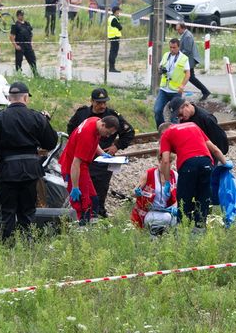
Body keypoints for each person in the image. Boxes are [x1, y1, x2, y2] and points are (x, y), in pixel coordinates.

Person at [0, 82, 58, 243]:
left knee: (7, 211)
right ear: (25, 98)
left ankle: (7, 246)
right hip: (31, 171)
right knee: (27, 210)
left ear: (9, 98)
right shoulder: (37, 117)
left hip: (7, 172)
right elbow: (51, 143)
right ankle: (26, 243)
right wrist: (46, 122)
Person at [66, 88, 135, 219]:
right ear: (92, 101)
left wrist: (116, 146)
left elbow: (129, 132)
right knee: (84, 187)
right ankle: (85, 215)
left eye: (104, 102)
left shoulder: (113, 116)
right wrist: (78, 145)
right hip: (84, 156)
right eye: (99, 102)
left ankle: (99, 213)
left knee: (100, 188)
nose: (102, 105)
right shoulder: (82, 114)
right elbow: (71, 129)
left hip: (103, 158)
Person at [158, 122, 228, 233]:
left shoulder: (166, 134)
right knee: (203, 196)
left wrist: (167, 181)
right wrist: (225, 163)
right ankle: (200, 228)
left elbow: (165, 161)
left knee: (184, 199)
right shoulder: (193, 125)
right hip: (206, 162)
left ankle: (183, 229)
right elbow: (214, 149)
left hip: (188, 165)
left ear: (162, 133)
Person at [60, 115, 119, 224]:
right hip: (73, 169)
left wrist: (103, 154)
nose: (107, 136)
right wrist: (75, 187)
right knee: (83, 204)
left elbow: (94, 141)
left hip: (82, 167)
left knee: (94, 199)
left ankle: (92, 227)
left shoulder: (95, 121)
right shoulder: (86, 135)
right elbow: (75, 163)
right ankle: (82, 228)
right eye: (108, 133)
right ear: (103, 125)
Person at [131, 157, 178, 237]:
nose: (168, 165)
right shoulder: (149, 174)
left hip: (166, 211)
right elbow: (133, 192)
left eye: (170, 162)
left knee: (176, 220)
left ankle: (166, 241)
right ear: (159, 161)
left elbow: (178, 197)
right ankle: (154, 239)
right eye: (165, 162)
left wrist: (174, 207)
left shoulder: (175, 176)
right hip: (148, 212)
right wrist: (136, 192)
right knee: (165, 218)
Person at [153, 38, 190, 127]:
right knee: (157, 110)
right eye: (170, 47)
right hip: (164, 89)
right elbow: (159, 66)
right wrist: (160, 69)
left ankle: (174, 132)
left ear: (178, 47)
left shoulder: (184, 58)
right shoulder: (166, 55)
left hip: (176, 91)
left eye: (174, 47)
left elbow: (188, 74)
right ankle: (161, 130)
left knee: (175, 115)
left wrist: (182, 86)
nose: (172, 49)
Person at [176, 22, 211, 100]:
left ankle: (205, 91)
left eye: (178, 29)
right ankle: (178, 94)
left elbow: (187, 50)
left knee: (190, 77)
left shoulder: (187, 36)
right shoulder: (186, 34)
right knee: (189, 77)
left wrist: (177, 54)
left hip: (189, 61)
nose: (177, 31)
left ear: (183, 28)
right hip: (188, 60)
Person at [10, 10, 38, 76]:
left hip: (28, 45)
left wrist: (31, 43)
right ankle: (19, 74)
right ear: (17, 16)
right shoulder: (15, 25)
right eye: (20, 15)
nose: (22, 16)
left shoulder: (27, 24)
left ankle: (36, 74)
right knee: (19, 61)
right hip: (20, 45)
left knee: (32, 59)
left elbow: (30, 34)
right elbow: (11, 37)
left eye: (23, 15)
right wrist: (16, 46)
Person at [107, 6, 123, 73]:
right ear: (116, 11)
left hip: (112, 36)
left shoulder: (111, 17)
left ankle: (112, 67)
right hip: (115, 37)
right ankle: (112, 68)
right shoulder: (113, 19)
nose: (119, 12)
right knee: (113, 53)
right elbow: (120, 27)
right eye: (119, 11)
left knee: (112, 52)